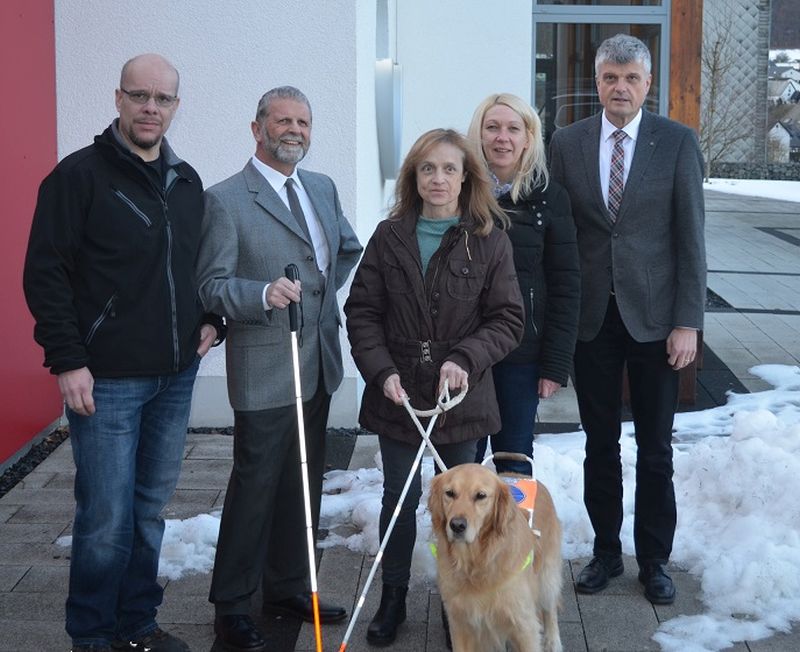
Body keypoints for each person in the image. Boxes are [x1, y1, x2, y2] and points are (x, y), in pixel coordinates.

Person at [23, 54, 222, 652]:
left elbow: (196, 270)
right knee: (105, 518)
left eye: (162, 99)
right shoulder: (77, 177)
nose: (150, 108)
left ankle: (136, 625)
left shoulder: (186, 183)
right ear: (118, 99)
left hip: (174, 375)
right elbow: (45, 275)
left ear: (176, 107)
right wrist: (67, 358)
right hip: (105, 378)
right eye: (139, 96)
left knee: (148, 512)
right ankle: (91, 635)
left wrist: (212, 320)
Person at [196, 86, 362, 652]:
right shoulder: (225, 200)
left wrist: (317, 300)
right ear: (257, 128)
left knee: (303, 482)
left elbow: (345, 248)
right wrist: (263, 293)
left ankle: (289, 585)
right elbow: (211, 285)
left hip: (317, 361)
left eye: (304, 122)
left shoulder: (321, 187)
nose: (295, 130)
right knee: (255, 488)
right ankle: (231, 606)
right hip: (265, 368)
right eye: (283, 121)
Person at [344, 128, 525, 646]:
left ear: (466, 175)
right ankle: (393, 596)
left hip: (462, 399)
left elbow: (508, 318)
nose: (438, 178)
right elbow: (362, 313)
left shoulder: (489, 237)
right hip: (399, 396)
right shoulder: (389, 235)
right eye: (428, 169)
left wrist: (465, 359)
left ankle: (458, 603)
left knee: (459, 507)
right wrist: (382, 372)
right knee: (399, 499)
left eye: (449, 168)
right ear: (413, 177)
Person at [549, 34, 706, 605]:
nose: (620, 88)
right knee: (599, 443)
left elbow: (691, 238)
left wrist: (688, 320)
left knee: (656, 447)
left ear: (647, 84)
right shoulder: (567, 143)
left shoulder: (677, 142)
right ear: (597, 82)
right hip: (593, 319)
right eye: (611, 78)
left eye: (631, 79)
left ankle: (655, 560)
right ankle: (607, 553)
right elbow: (560, 237)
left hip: (659, 322)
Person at [467, 93, 580, 476]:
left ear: (529, 138)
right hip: (463, 354)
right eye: (492, 127)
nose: (503, 137)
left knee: (514, 463)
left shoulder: (550, 198)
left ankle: (512, 537)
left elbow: (566, 285)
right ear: (479, 135)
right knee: (458, 468)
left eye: (513, 128)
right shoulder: (459, 193)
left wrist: (555, 364)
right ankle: (449, 539)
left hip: (522, 357)